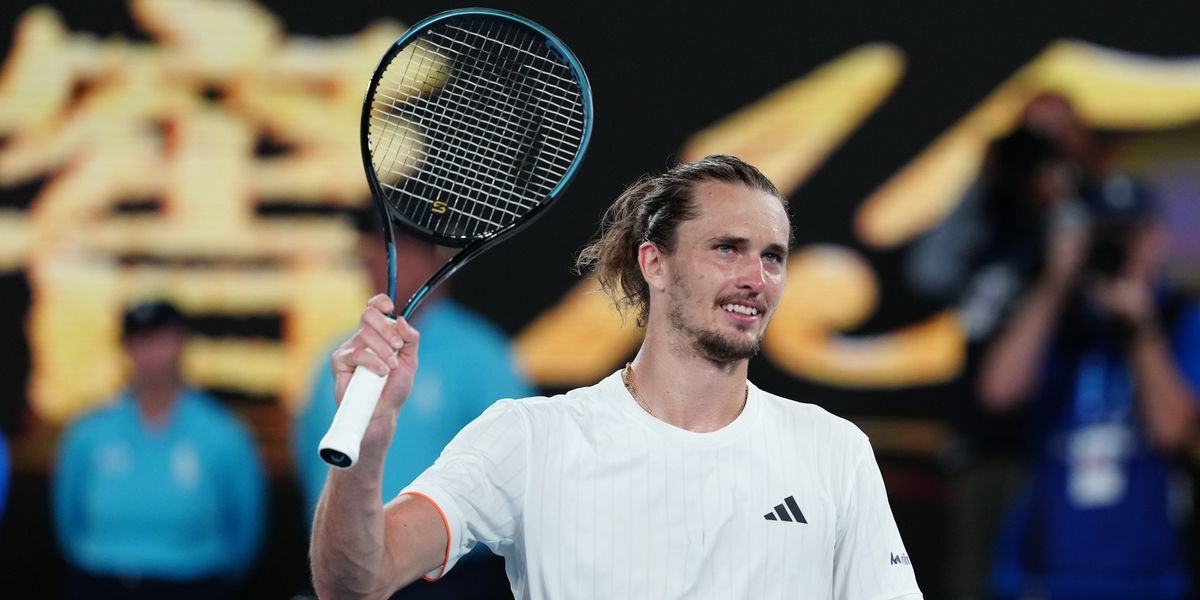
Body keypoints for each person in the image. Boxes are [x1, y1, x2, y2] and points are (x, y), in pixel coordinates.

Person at [308, 155, 923, 599]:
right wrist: (368, 444)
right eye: (727, 248)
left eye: (773, 257)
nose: (756, 278)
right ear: (654, 262)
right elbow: (356, 581)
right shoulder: (531, 438)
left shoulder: (834, 451)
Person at [979, 168, 1200, 599]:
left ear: (1155, 239)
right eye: (1104, 234)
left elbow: (1172, 431)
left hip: (1149, 579)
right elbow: (998, 392)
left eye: (1128, 234)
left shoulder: (1178, 319)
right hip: (1045, 574)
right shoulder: (1057, 321)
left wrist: (1140, 329)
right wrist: (1055, 282)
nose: (1116, 248)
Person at [292, 209, 534, 599]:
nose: (376, 258)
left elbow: (522, 476)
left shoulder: (483, 356)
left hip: (450, 582)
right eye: (373, 245)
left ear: (431, 259)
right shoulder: (336, 359)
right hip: (343, 573)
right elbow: (308, 460)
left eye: (394, 247)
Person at [52, 299, 266, 599]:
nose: (151, 354)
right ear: (125, 348)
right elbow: (69, 521)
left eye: (161, 339)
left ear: (182, 342)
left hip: (192, 584)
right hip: (103, 583)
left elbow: (244, 530)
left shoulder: (223, 432)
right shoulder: (89, 431)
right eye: (140, 341)